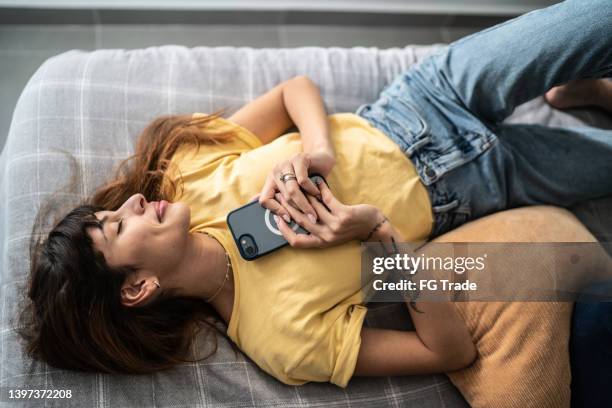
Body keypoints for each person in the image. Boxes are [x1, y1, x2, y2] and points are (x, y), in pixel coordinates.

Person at [19, 0, 611, 390]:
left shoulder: (184, 174)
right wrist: (378, 236)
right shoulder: (281, 341)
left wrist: (317, 150)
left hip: (424, 101)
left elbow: (294, 91)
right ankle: (586, 95)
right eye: (118, 227)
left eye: (115, 210)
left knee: (598, 21)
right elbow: (446, 351)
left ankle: (577, 88)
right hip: (481, 187)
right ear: (139, 286)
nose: (132, 204)